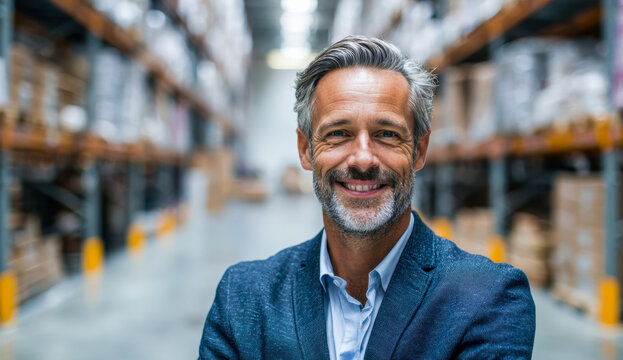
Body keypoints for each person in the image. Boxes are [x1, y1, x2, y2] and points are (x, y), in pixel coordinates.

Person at [198, 36, 535, 360]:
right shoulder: (244, 298)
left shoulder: (488, 298)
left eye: (387, 134)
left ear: (419, 150)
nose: (362, 158)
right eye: (338, 134)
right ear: (306, 150)